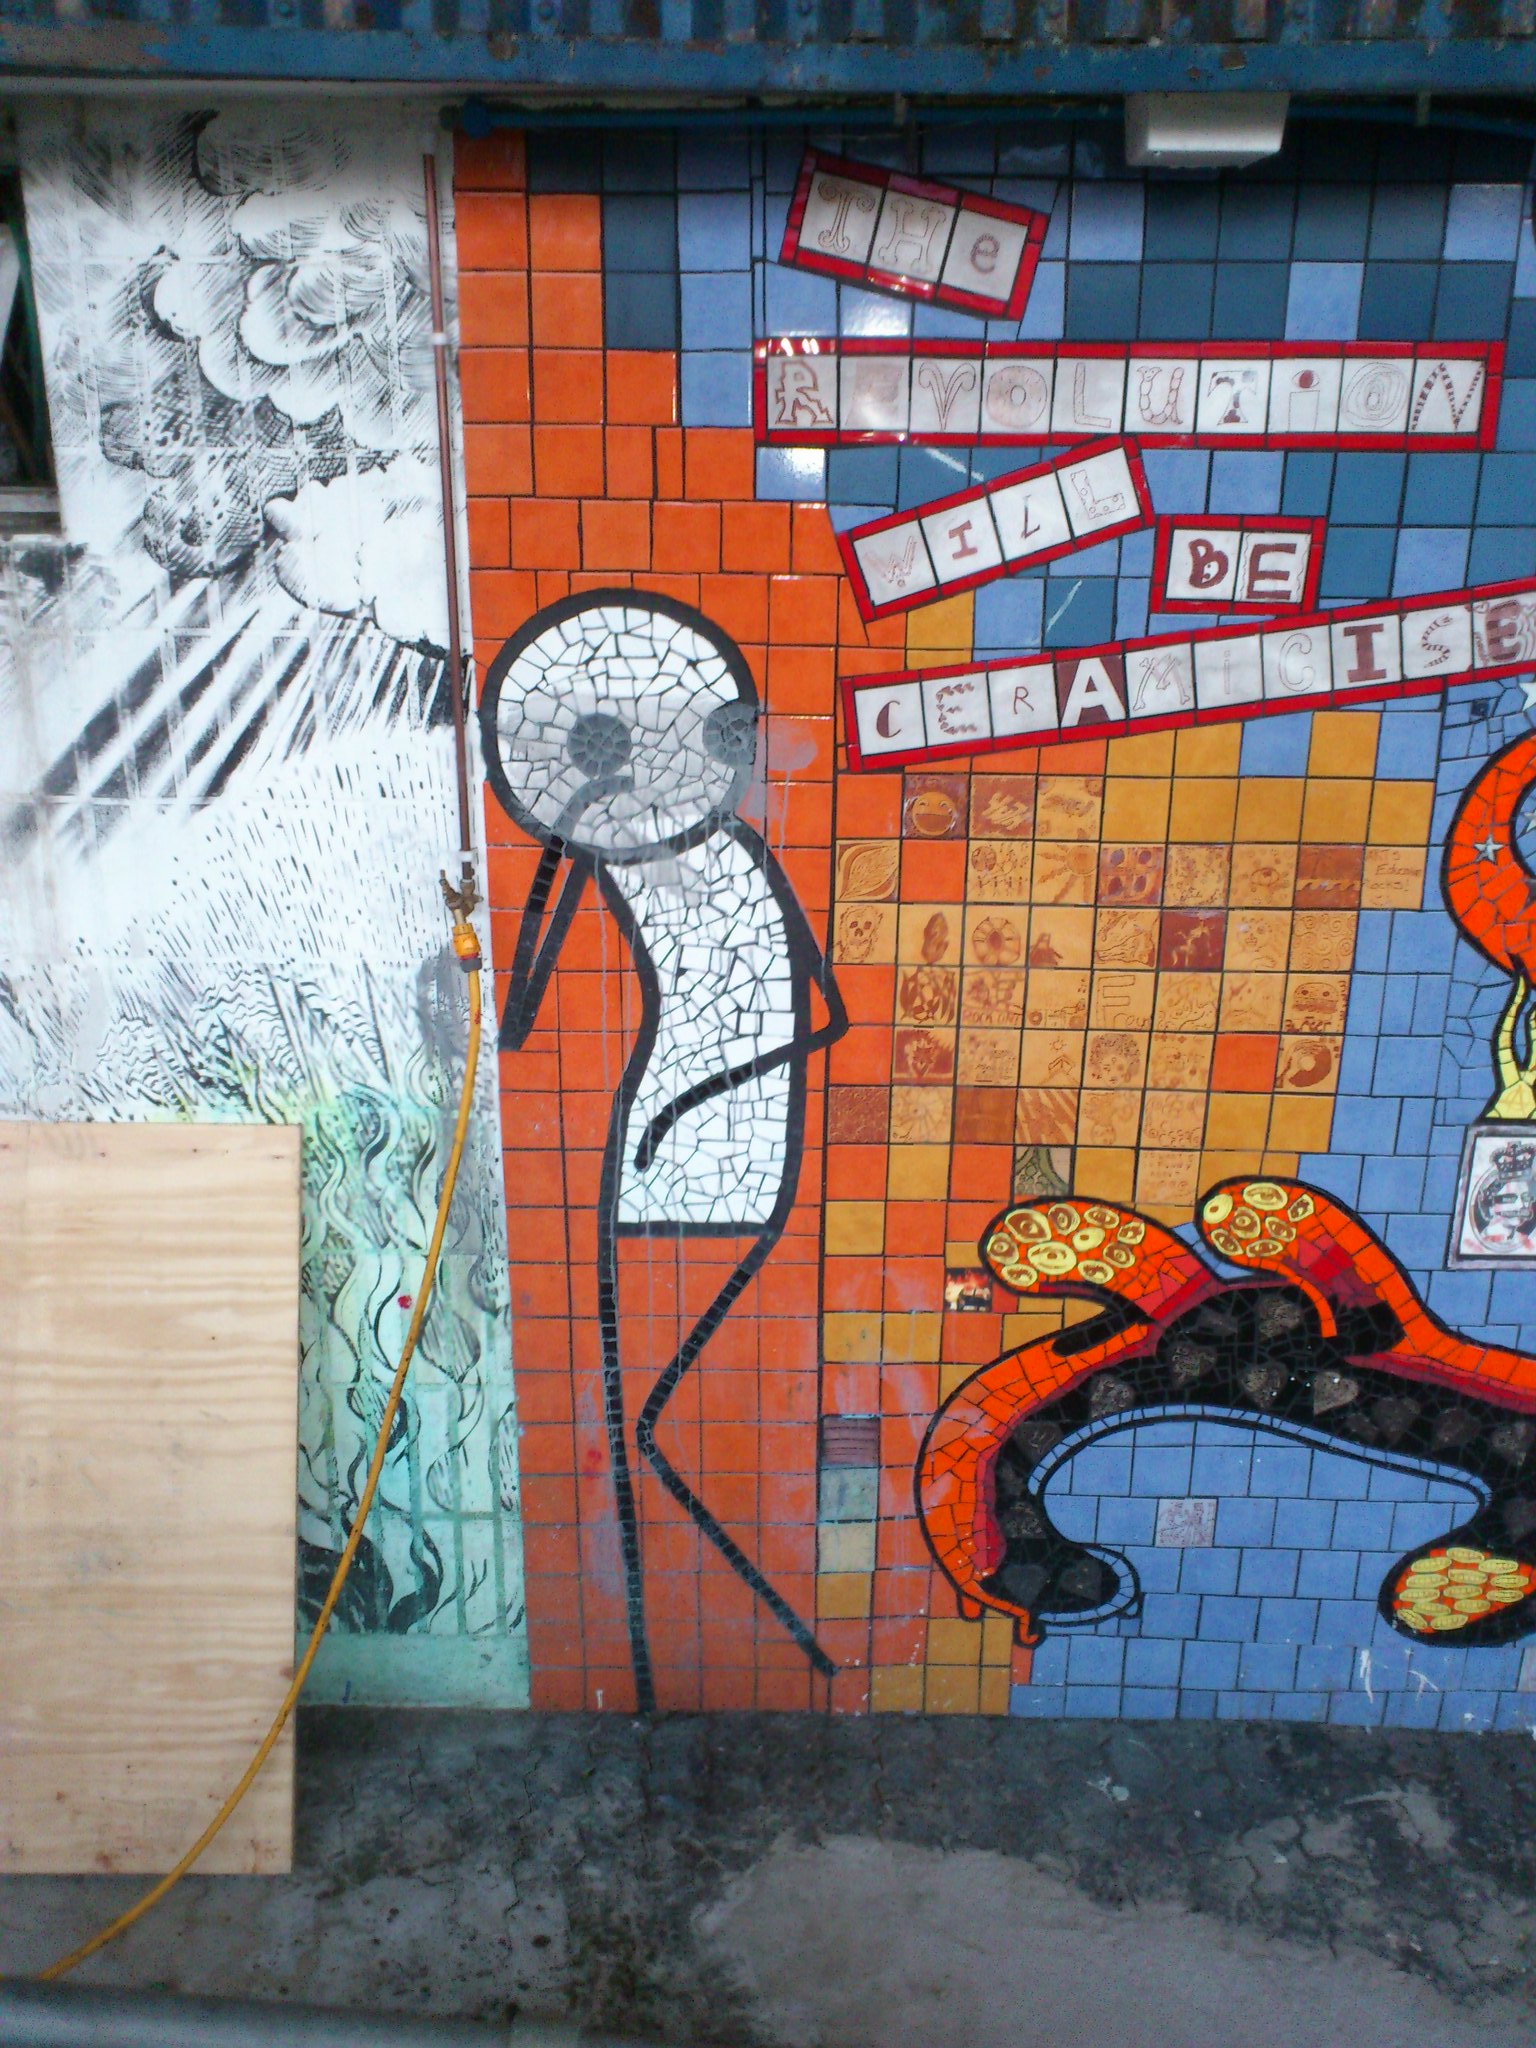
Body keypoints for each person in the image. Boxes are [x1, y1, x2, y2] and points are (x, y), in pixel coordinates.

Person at [480, 592, 846, 1711]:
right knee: (645, 1422)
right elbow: (521, 1010)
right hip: (660, 1170)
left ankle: (748, 1648)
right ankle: (727, 1650)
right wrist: (556, 850)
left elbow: (823, 1015)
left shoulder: (735, 854)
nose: (613, 777)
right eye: (593, 748)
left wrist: (688, 1107)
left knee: (646, 1422)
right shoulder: (609, 852)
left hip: (710, 1163)